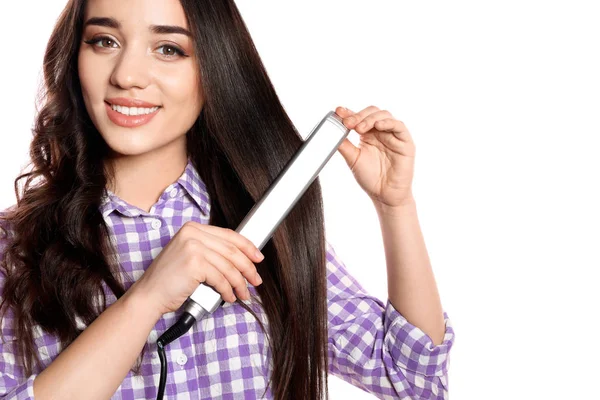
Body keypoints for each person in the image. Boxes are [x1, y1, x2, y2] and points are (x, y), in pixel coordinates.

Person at [0, 0, 454, 399]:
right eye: (103, 41)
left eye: (169, 49)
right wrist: (145, 300)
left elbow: (412, 379)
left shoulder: (263, 229)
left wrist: (395, 207)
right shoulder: (14, 250)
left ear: (214, 68)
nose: (127, 76)